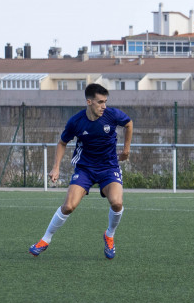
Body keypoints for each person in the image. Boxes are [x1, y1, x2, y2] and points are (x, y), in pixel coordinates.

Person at [29, 83, 133, 259]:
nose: (104, 106)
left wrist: (126, 150)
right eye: (100, 102)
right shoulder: (76, 122)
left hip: (109, 167)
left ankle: (109, 235)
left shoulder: (112, 115)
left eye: (105, 102)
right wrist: (56, 167)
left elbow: (129, 124)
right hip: (85, 168)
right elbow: (62, 143)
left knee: (117, 203)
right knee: (68, 206)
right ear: (89, 101)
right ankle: (45, 240)